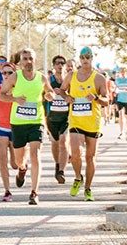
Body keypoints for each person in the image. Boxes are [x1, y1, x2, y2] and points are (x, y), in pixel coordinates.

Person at [0, 47, 52, 204]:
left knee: (35, 154)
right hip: (18, 122)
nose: (28, 62)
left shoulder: (41, 78)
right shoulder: (15, 77)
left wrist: (50, 95)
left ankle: (34, 192)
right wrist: (14, 100)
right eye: (25, 59)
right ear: (21, 62)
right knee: (18, 161)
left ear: (35, 61)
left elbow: (50, 92)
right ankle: (22, 169)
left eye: (31, 58)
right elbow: (2, 95)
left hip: (36, 121)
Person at [66, 46, 110, 200]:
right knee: (76, 153)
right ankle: (78, 177)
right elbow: (62, 90)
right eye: (83, 57)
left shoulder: (99, 78)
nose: (85, 59)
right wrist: (67, 97)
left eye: (88, 57)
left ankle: (88, 188)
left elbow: (107, 101)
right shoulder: (71, 75)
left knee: (90, 157)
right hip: (76, 121)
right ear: (79, 59)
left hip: (93, 122)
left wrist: (96, 98)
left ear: (92, 58)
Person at [0, 59, 18, 201]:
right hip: (1, 127)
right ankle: (7, 191)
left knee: (15, 164)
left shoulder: (19, 89)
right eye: (4, 73)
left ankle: (22, 168)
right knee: (3, 160)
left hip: (15, 127)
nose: (7, 75)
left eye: (10, 73)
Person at [46, 55, 72, 184]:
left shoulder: (69, 80)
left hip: (66, 117)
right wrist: (49, 95)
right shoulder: (49, 80)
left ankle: (61, 171)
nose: (60, 65)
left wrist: (65, 95)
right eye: (57, 63)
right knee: (55, 143)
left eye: (62, 63)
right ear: (53, 65)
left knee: (63, 141)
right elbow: (43, 95)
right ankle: (57, 164)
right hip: (52, 117)